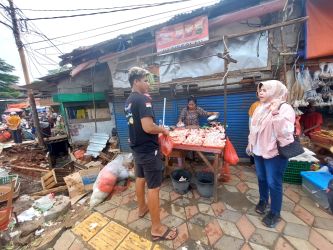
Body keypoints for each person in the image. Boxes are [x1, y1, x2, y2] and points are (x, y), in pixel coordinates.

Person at [124, 67, 178, 241]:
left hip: (137, 148)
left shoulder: (129, 100)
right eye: (145, 80)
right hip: (148, 150)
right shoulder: (142, 100)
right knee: (154, 187)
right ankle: (156, 228)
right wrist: (163, 130)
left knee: (140, 178)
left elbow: (136, 126)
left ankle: (142, 208)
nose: (148, 83)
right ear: (136, 82)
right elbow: (148, 127)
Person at [247, 80, 295, 228]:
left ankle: (275, 212)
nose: (260, 92)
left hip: (275, 153)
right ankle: (263, 200)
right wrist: (250, 144)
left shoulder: (285, 108)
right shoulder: (259, 108)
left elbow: (286, 132)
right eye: (260, 90)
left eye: (265, 90)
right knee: (261, 178)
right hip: (259, 150)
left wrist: (275, 113)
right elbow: (253, 129)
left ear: (274, 91)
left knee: (273, 182)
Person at [248, 99, 261, 168]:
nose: (261, 93)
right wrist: (251, 131)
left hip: (265, 134)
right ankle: (253, 163)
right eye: (260, 91)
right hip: (255, 131)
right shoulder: (255, 105)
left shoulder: (272, 105)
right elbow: (251, 119)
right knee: (253, 147)